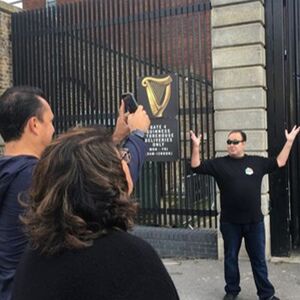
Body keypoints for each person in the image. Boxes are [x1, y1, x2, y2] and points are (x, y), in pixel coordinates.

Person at [0, 86, 150, 300]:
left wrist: (115, 138)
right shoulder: (38, 175)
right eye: (50, 121)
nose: (53, 129)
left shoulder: (11, 172)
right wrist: (138, 135)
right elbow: (112, 186)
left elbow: (88, 171)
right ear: (34, 125)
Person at [11, 126, 179, 300]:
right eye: (123, 158)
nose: (127, 165)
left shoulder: (34, 257)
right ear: (108, 180)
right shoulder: (132, 258)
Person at [190, 127, 300, 300]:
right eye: (229, 142)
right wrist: (196, 146)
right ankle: (232, 291)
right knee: (231, 259)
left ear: (244, 144)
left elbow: (279, 162)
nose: (231, 145)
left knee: (259, 260)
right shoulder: (219, 164)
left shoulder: (256, 162)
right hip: (230, 223)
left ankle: (266, 294)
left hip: (254, 222)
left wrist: (290, 141)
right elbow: (196, 166)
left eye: (235, 142)